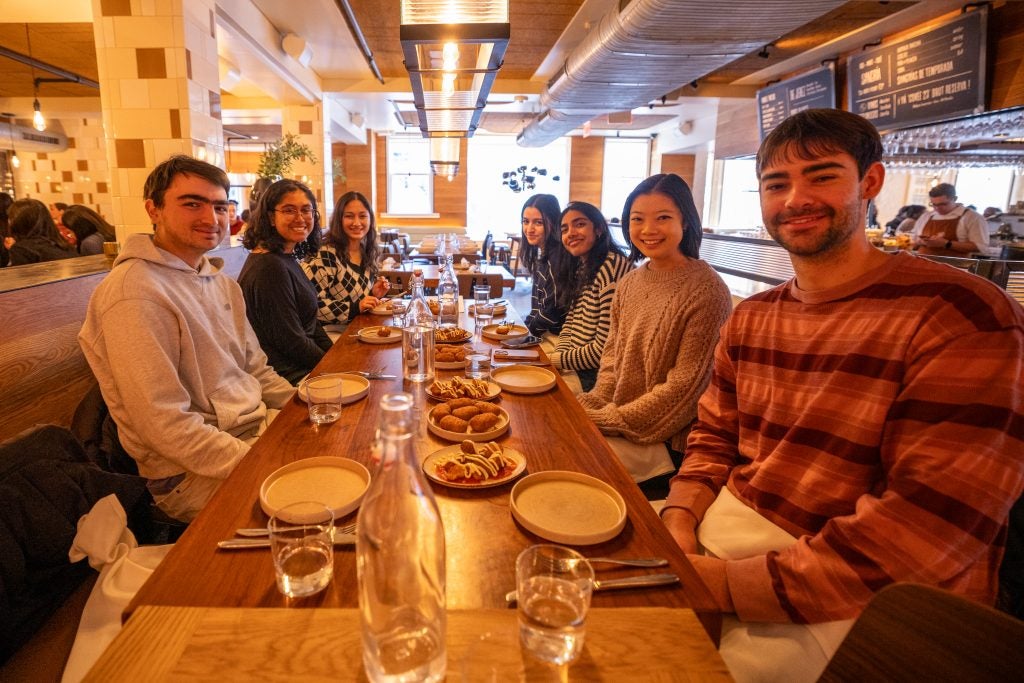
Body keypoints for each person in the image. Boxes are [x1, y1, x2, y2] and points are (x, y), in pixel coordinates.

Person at [661, 109, 1024, 683]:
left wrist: (719, 584)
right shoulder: (752, 316)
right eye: (777, 184)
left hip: (867, 602)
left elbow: (925, 531)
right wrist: (679, 518)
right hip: (725, 533)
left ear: (870, 182)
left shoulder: (962, 315)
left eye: (822, 176)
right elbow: (713, 437)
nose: (796, 199)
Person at [79, 155, 294, 523]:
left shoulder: (221, 283)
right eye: (192, 203)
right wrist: (260, 461)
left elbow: (258, 371)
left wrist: (305, 406)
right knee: (317, 509)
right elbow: (165, 425)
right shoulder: (134, 292)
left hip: (255, 430)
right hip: (190, 475)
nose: (211, 218)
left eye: (219, 206)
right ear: (154, 209)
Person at [577, 174, 731, 493]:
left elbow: (684, 391)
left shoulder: (707, 290)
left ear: (685, 222)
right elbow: (611, 361)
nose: (648, 230)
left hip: (667, 443)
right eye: (637, 219)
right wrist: (591, 404)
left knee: (571, 466)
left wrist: (606, 420)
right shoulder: (630, 283)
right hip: (620, 420)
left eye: (663, 218)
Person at [239, 179, 332, 385]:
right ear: (271, 217)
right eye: (289, 210)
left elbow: (311, 323)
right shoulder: (269, 267)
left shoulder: (283, 257)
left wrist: (336, 356)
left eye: (306, 210)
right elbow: (291, 341)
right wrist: (332, 366)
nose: (300, 218)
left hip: (304, 365)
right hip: (290, 377)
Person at [550, 201, 633, 393]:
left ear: (599, 229)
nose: (570, 233)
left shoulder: (611, 266)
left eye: (579, 224)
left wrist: (555, 360)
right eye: (564, 229)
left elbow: (603, 350)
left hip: (596, 375)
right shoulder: (583, 265)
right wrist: (558, 357)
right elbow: (570, 323)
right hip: (575, 364)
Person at [302, 190, 390, 325]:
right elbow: (313, 304)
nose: (357, 223)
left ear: (370, 219)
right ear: (339, 219)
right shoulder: (326, 254)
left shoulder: (367, 251)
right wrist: (357, 307)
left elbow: (358, 301)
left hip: (359, 328)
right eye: (349, 216)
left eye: (362, 216)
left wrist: (373, 295)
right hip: (331, 335)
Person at [519, 194, 571, 337]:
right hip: (544, 332)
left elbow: (551, 312)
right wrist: (524, 327)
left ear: (554, 223)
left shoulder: (556, 258)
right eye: (525, 221)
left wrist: (526, 334)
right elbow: (538, 309)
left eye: (538, 222)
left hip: (556, 338)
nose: (529, 229)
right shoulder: (543, 256)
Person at [911, 182, 989, 256]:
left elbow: (980, 247)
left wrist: (946, 243)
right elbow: (913, 242)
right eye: (934, 204)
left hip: (954, 265)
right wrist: (920, 242)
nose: (937, 208)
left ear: (955, 198)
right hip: (923, 263)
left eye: (943, 204)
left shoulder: (972, 217)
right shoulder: (926, 216)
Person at [6, 198, 77, 265]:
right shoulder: (61, 243)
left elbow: (24, 277)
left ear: (18, 222)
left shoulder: (22, 249)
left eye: (10, 218)